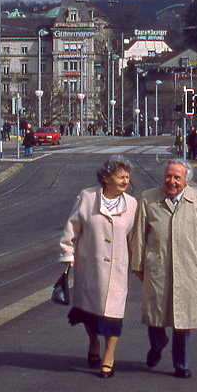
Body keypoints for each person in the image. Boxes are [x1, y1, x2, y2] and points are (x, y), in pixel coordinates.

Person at [129, 158, 197, 379]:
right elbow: (139, 235)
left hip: (189, 268)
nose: (171, 182)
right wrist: (138, 264)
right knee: (154, 315)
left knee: (183, 319)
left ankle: (181, 364)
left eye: (177, 178)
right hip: (157, 267)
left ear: (186, 181)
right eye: (168, 176)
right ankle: (157, 343)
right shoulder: (149, 198)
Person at [58, 156, 138, 378]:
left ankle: (109, 356)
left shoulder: (131, 204)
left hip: (118, 270)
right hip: (89, 267)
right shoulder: (87, 197)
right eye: (120, 176)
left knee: (113, 317)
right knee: (90, 314)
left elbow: (134, 238)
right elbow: (71, 228)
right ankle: (93, 342)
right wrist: (67, 254)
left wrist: (138, 263)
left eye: (127, 177)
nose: (125, 180)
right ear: (105, 177)